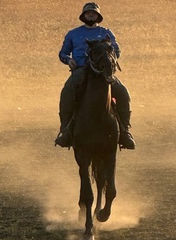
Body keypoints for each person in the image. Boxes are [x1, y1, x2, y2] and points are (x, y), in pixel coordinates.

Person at [55, 2, 135, 149]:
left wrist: (110, 62)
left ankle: (125, 131)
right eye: (88, 13)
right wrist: (69, 60)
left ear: (98, 16)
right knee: (67, 91)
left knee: (123, 92)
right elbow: (63, 53)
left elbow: (116, 51)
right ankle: (65, 130)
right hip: (81, 70)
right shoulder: (73, 34)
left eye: (94, 13)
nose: (91, 15)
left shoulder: (106, 33)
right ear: (83, 16)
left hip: (103, 71)